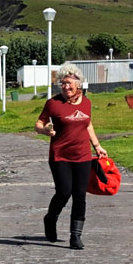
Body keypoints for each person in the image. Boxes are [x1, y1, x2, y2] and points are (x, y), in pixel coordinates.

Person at [35, 63, 107, 250]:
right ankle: (50, 219)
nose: (65, 87)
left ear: (79, 83)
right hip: (60, 155)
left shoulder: (87, 103)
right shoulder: (53, 103)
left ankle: (76, 236)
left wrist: (97, 146)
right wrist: (45, 131)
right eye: (62, 83)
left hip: (82, 155)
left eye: (69, 83)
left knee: (80, 195)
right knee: (64, 192)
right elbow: (38, 124)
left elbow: (88, 125)